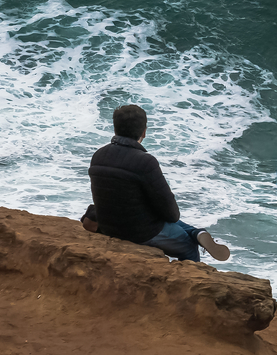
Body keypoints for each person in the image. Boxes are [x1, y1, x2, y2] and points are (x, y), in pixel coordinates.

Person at [82, 104, 231, 262]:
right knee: (187, 245)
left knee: (153, 214)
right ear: (144, 132)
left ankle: (197, 233)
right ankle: (195, 239)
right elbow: (171, 213)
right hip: (139, 233)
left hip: (108, 225)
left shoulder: (98, 155)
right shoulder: (145, 162)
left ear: (115, 129)